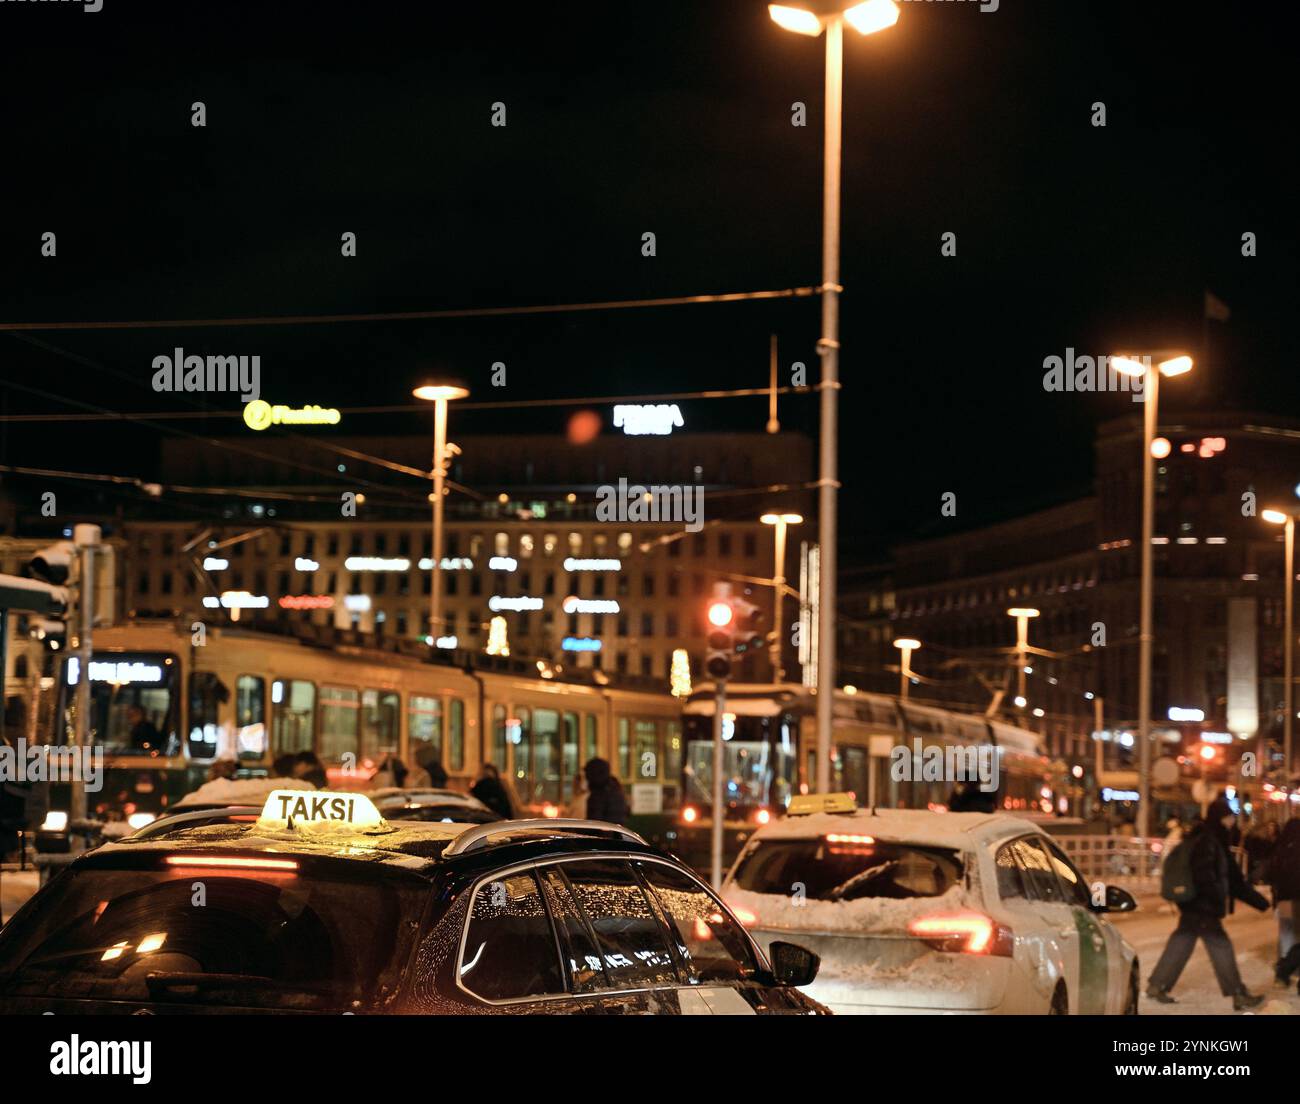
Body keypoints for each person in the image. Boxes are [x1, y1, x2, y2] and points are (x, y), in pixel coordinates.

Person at [1146, 796, 1270, 1010]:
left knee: (1181, 942)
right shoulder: (1210, 841)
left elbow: (1233, 880)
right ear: (1222, 817)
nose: (1232, 821)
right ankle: (1238, 994)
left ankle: (1157, 986)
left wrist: (1259, 902)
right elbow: (1210, 875)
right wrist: (1213, 898)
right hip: (1203, 906)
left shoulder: (1209, 838)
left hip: (1194, 904)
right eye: (1230, 817)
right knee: (1221, 947)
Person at [1267, 819, 1300, 989]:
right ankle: (1290, 968)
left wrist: (1275, 901)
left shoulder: (1279, 849)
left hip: (1284, 899)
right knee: (1298, 934)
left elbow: (1273, 877)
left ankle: (1284, 964)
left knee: (1286, 933)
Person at [583, 757, 628, 825]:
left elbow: (594, 824)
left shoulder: (599, 795)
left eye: (587, 774)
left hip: (603, 835)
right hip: (616, 834)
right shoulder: (616, 789)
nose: (586, 778)